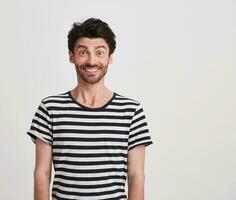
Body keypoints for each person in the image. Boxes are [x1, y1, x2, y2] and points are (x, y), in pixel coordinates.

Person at [26, 17, 153, 200]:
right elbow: (42, 174)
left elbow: (136, 178)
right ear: (71, 56)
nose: (92, 61)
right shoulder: (50, 109)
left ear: (110, 58)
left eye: (99, 52)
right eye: (83, 52)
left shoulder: (131, 111)